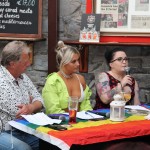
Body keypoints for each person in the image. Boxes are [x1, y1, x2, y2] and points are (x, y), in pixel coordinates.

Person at [0, 41, 44, 150]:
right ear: (12, 63)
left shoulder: (23, 77)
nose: (29, 63)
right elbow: (17, 111)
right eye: (25, 61)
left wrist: (31, 107)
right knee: (23, 149)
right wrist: (29, 103)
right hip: (3, 131)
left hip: (23, 128)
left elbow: (40, 100)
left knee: (50, 143)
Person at [42, 41, 93, 114]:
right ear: (64, 63)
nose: (78, 64)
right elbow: (52, 110)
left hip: (80, 122)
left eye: (78, 60)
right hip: (59, 122)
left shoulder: (80, 79)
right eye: (73, 61)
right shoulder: (53, 81)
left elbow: (86, 106)